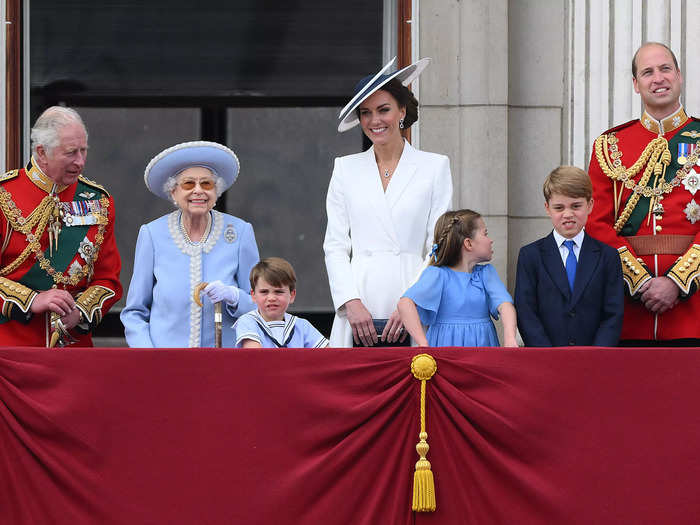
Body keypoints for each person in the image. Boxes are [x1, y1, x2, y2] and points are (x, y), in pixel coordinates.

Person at [324, 56, 453, 347]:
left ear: (402, 111)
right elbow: (335, 244)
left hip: (412, 292)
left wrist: (412, 301)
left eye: (384, 110)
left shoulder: (435, 166)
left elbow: (438, 243)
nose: (375, 120)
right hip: (359, 298)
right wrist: (349, 302)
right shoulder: (345, 168)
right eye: (366, 113)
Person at [587, 42, 700, 345]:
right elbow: (596, 224)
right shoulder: (609, 146)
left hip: (693, 315)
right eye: (647, 72)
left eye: (665, 69)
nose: (658, 78)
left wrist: (677, 281)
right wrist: (641, 281)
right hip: (628, 314)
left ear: (679, 75)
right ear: (636, 85)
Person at [0, 106, 122, 347]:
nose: (80, 161)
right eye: (70, 153)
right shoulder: (5, 196)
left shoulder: (98, 201)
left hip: (73, 349)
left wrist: (80, 312)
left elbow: (108, 279)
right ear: (42, 152)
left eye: (84, 151)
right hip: (11, 348)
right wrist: (31, 300)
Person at [120, 141, 259, 347]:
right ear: (173, 192)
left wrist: (234, 296)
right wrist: (147, 356)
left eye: (206, 184)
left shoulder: (240, 232)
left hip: (225, 361)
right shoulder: (152, 234)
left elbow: (260, 304)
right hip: (166, 363)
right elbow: (134, 312)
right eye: (188, 184)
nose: (198, 191)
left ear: (216, 191)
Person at [514, 166, 624, 347]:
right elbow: (526, 312)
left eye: (576, 206)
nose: (568, 214)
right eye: (559, 208)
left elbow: (613, 313)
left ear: (590, 205)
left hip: (594, 360)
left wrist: (596, 355)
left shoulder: (608, 256)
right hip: (546, 359)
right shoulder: (530, 255)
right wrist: (547, 355)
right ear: (547, 208)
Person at [397, 210, 517, 347]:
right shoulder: (437, 275)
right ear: (468, 244)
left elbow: (506, 306)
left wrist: (510, 339)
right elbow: (405, 304)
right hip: (445, 351)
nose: (491, 240)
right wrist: (422, 343)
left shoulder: (486, 274)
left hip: (482, 351)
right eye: (485, 234)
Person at [233, 257, 329, 348]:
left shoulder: (302, 326)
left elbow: (328, 354)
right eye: (264, 292)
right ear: (253, 295)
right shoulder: (247, 322)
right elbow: (255, 357)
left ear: (292, 295)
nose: (271, 298)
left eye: (278, 292)